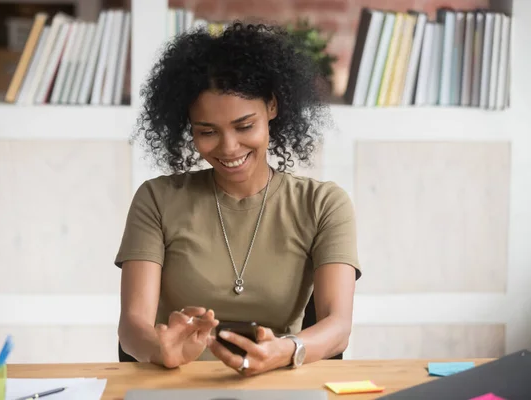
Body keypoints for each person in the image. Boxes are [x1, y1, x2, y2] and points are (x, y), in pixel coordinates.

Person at [114, 21, 361, 377]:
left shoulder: (323, 204)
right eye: (207, 132)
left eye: (245, 126)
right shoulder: (157, 200)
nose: (229, 148)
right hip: (176, 386)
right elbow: (132, 328)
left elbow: (338, 327)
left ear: (272, 107)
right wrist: (161, 349)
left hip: (277, 382)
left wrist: (288, 350)